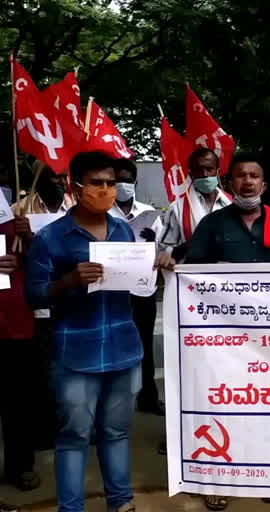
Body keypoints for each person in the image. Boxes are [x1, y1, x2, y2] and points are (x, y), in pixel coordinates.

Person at [25, 151, 175, 512]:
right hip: (76, 352)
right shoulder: (51, 238)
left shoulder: (123, 229)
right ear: (76, 187)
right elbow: (34, 295)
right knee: (74, 436)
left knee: (116, 433)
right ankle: (71, 508)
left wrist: (156, 267)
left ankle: (120, 502)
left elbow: (137, 283)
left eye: (110, 183)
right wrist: (69, 281)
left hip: (123, 349)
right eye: (97, 183)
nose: (107, 189)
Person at [186, 153, 270, 510]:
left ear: (264, 185)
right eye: (240, 176)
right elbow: (192, 277)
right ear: (228, 183)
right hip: (224, 338)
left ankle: (269, 473)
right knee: (224, 405)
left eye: (254, 176)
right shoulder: (213, 225)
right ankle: (219, 479)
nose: (247, 182)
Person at [109, 158, 165, 415]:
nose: (123, 185)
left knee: (143, 343)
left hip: (143, 288)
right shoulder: (103, 212)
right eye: (118, 180)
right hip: (112, 290)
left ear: (135, 182)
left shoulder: (149, 213)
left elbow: (163, 248)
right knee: (113, 343)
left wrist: (156, 248)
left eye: (127, 181)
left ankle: (148, 398)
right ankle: (113, 403)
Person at [0, 212, 40, 492]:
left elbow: (48, 265)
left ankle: (21, 466)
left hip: (15, 321)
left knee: (19, 401)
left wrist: (26, 246)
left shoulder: (16, 221)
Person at [158, 147, 231, 261]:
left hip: (226, 275)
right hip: (192, 275)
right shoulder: (177, 208)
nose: (205, 174)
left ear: (217, 172)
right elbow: (164, 248)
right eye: (199, 170)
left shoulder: (232, 204)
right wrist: (187, 247)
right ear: (191, 174)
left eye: (209, 169)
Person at [11, 160, 75, 216]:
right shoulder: (19, 210)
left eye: (64, 177)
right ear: (40, 179)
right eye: (56, 176)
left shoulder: (76, 207)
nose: (63, 182)